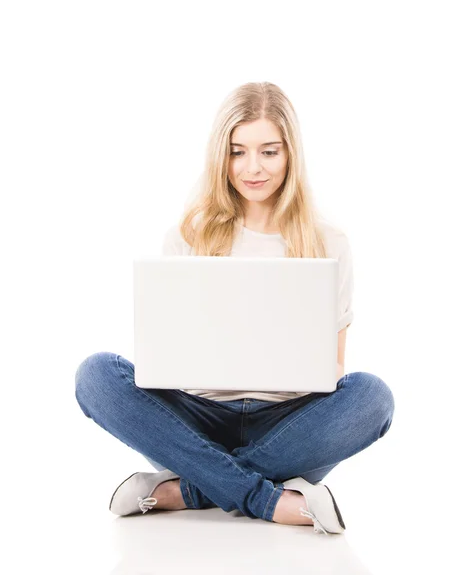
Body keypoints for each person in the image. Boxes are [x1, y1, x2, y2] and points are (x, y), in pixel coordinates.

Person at [75, 81, 395, 533]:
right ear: (220, 156)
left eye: (269, 151)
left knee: (374, 397)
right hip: (198, 420)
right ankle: (270, 498)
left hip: (287, 426)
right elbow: (164, 354)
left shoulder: (329, 242)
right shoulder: (188, 235)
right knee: (96, 374)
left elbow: (336, 367)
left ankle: (187, 489)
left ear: (290, 155)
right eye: (237, 151)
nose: (253, 168)